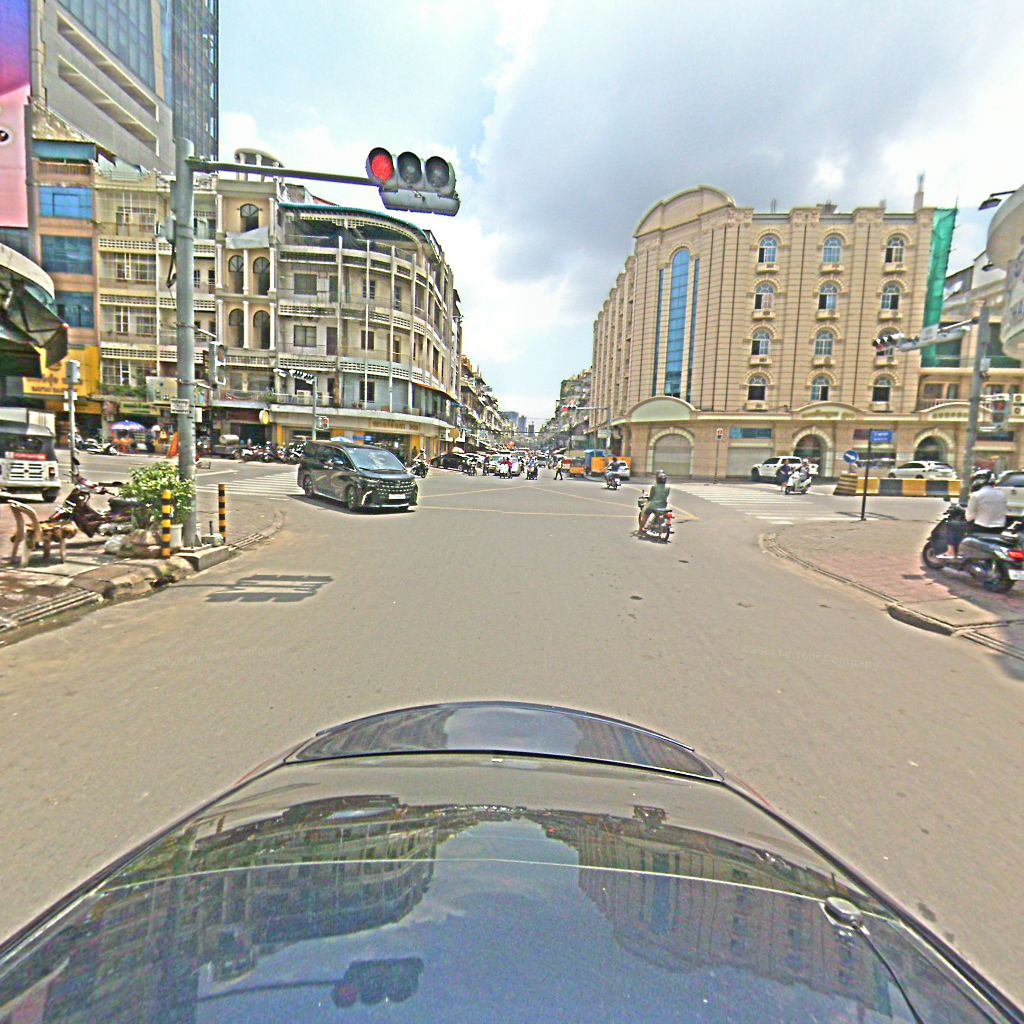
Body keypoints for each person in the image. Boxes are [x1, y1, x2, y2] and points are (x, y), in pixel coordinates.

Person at [965, 469, 1007, 535]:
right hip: (999, 528)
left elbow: (969, 516)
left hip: (981, 527)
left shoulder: (976, 495)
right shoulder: (1002, 494)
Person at [639, 469, 671, 534]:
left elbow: (651, 497)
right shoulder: (668, 488)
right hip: (663, 505)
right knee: (663, 514)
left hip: (653, 506)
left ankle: (640, 530)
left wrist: (648, 499)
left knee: (645, 516)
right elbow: (666, 496)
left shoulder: (654, 487)